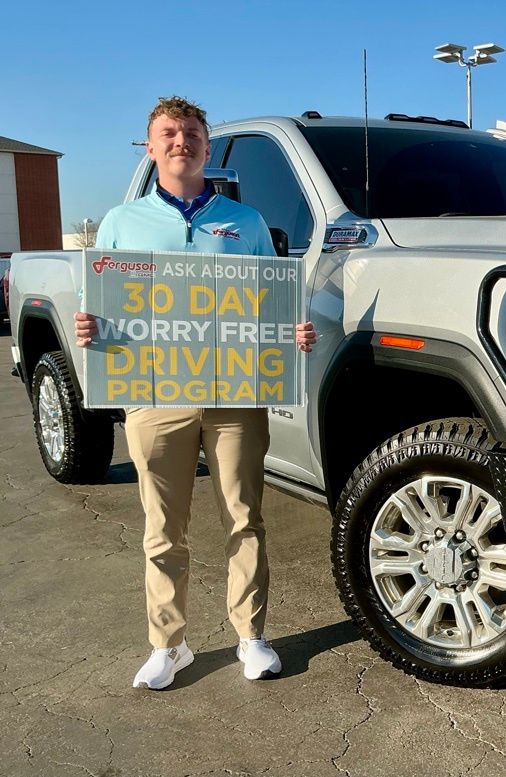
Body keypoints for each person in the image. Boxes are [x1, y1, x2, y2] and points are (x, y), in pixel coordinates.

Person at [75, 96, 316, 690]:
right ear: (150, 147)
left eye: (191, 133)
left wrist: (292, 331)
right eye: (168, 133)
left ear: (208, 147)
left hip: (235, 396)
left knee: (245, 518)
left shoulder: (247, 222)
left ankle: (251, 637)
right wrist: (90, 323)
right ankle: (169, 645)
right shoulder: (120, 223)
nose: (180, 140)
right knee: (162, 526)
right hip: (156, 394)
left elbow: (271, 303)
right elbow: (102, 303)